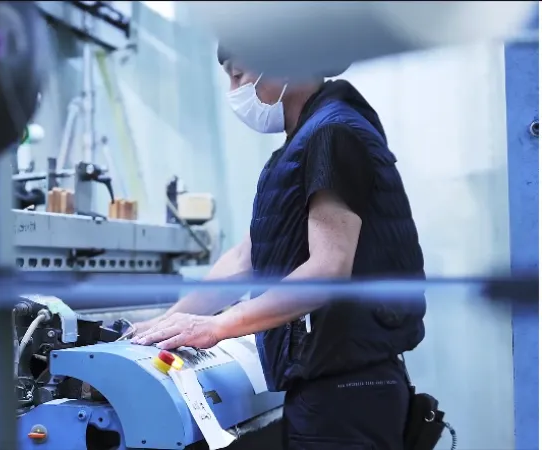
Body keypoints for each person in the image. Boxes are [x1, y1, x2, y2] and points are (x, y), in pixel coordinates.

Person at [131, 47, 427, 449]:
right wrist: (166, 323)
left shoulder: (332, 134)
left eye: (239, 75)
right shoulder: (300, 145)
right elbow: (244, 260)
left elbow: (328, 271)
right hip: (334, 392)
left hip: (348, 395)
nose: (235, 91)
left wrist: (217, 326)